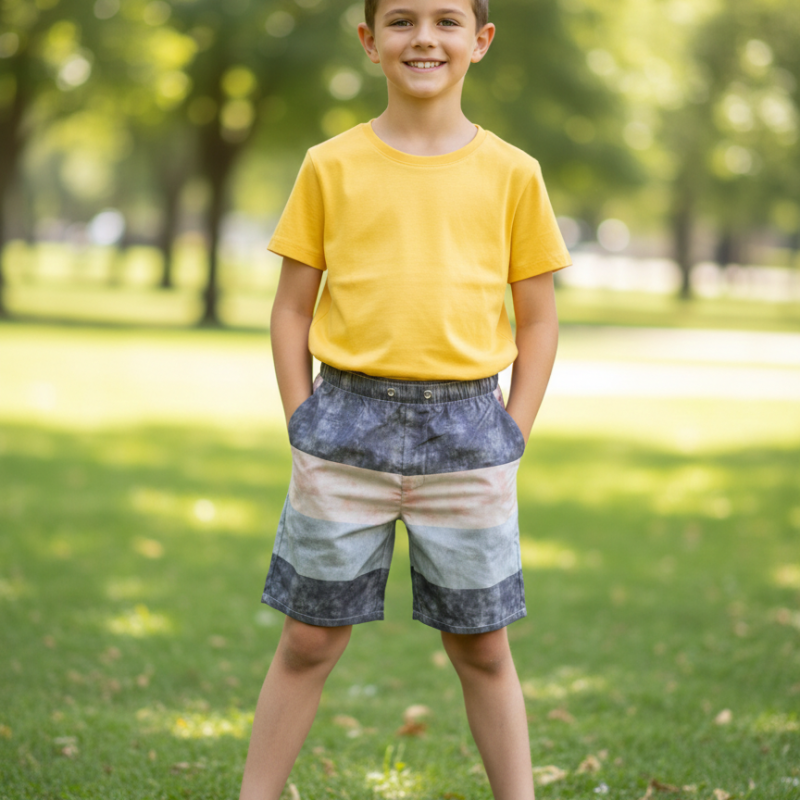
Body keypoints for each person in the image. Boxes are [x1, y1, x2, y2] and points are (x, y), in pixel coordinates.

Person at [239, 0, 571, 797]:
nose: (424, 37)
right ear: (369, 41)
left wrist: (511, 432)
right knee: (309, 640)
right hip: (343, 427)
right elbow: (291, 307)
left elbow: (539, 318)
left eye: (447, 20)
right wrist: (301, 416)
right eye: (402, 20)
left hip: (469, 433)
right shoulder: (331, 164)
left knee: (483, 647)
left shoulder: (513, 174)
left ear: (480, 41)